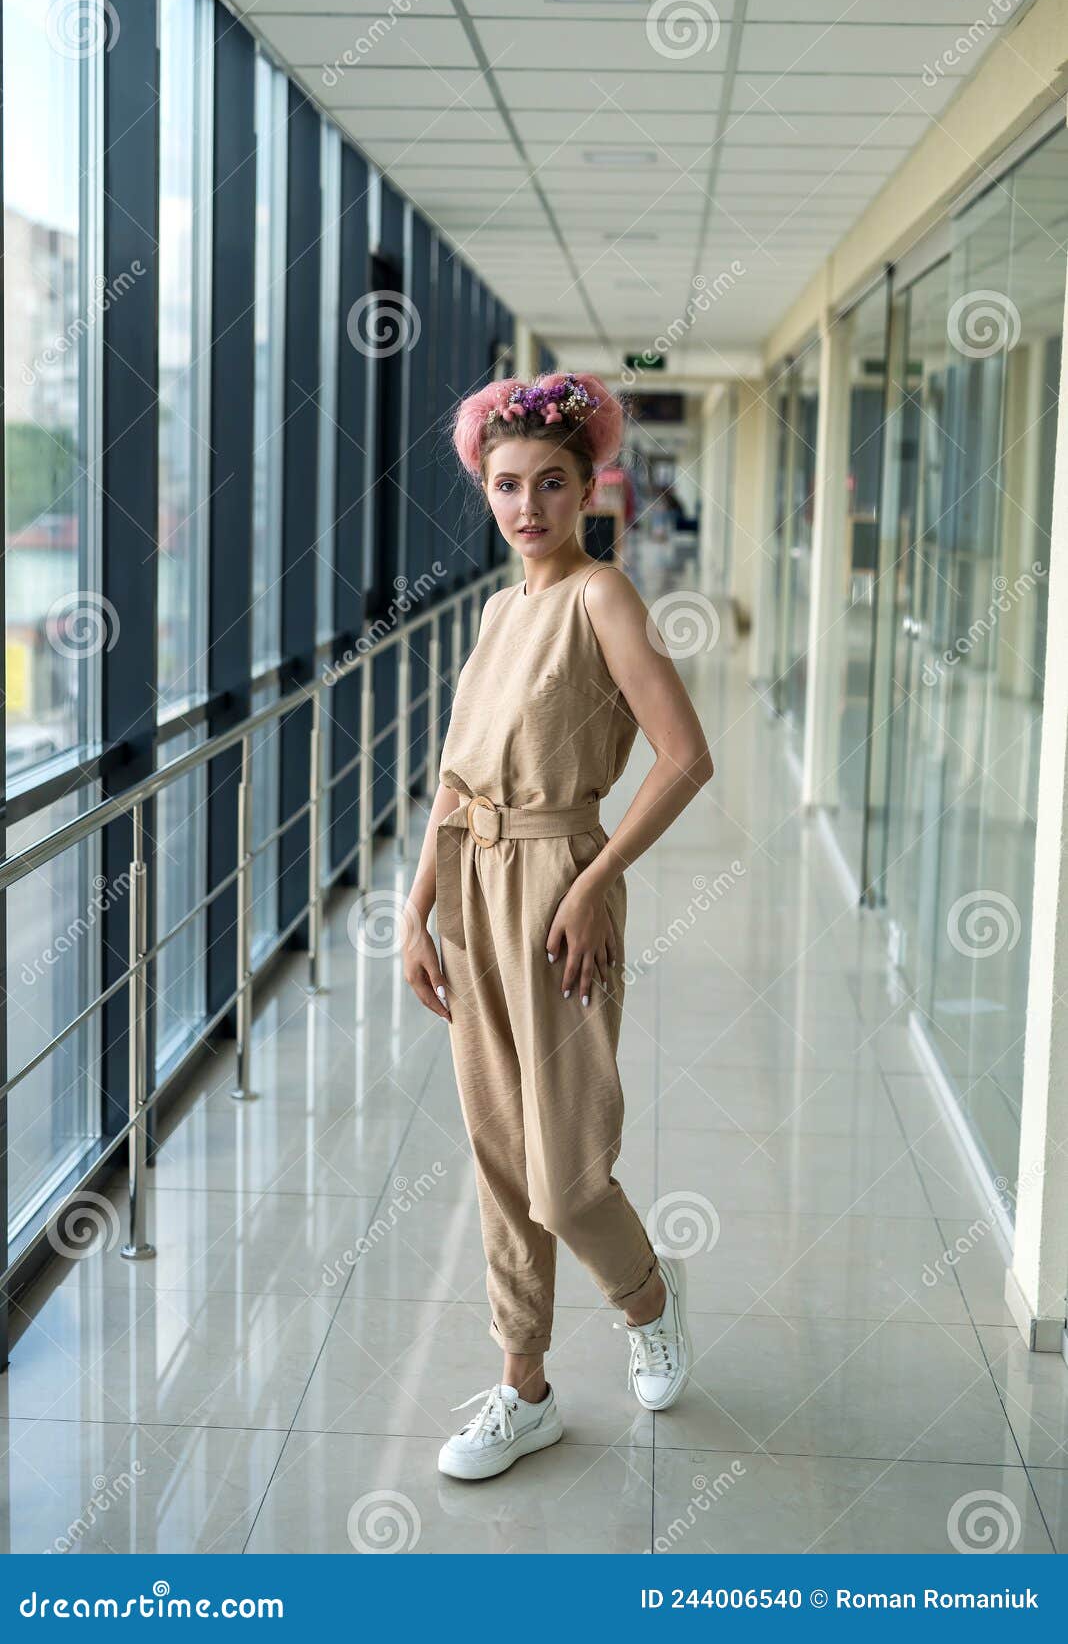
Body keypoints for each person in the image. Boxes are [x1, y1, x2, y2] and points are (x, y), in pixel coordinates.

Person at [401, 372, 715, 1481]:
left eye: (548, 484)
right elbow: (454, 772)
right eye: (505, 486)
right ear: (486, 490)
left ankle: (649, 1297)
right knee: (498, 1149)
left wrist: (593, 884)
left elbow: (686, 757)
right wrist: (416, 907)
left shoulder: (600, 599)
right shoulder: (497, 611)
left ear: (588, 488)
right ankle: (523, 1385)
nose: (525, 506)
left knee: (567, 1166)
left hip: (558, 883)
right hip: (470, 875)